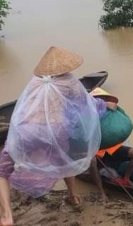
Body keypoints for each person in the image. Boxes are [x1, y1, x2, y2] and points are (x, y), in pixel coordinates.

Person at [0, 46, 114, 226]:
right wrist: (105, 104)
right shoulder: (69, 82)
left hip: (26, 131)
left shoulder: (35, 82)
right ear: (66, 67)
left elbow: (22, 107)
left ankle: (6, 216)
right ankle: (73, 196)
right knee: (63, 160)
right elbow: (88, 106)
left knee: (3, 170)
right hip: (56, 132)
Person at [88, 88, 133, 201]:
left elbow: (117, 112)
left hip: (113, 148)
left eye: (103, 99)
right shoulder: (86, 114)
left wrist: (104, 105)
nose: (100, 101)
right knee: (92, 162)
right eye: (97, 99)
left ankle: (126, 179)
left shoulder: (111, 110)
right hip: (97, 150)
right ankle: (101, 191)